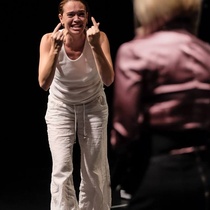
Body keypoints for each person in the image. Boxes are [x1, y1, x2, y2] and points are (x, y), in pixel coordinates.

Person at [110, 0, 210, 209]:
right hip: (203, 171)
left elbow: (124, 130)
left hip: (157, 169)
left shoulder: (136, 51)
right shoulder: (205, 51)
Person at [38, 0, 114, 209]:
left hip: (93, 106)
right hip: (61, 106)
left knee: (95, 169)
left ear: (88, 17)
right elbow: (43, 83)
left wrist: (96, 46)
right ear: (60, 18)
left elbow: (108, 79)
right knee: (62, 167)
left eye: (81, 14)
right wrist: (55, 50)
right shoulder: (48, 40)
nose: (76, 19)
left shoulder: (100, 38)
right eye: (70, 15)